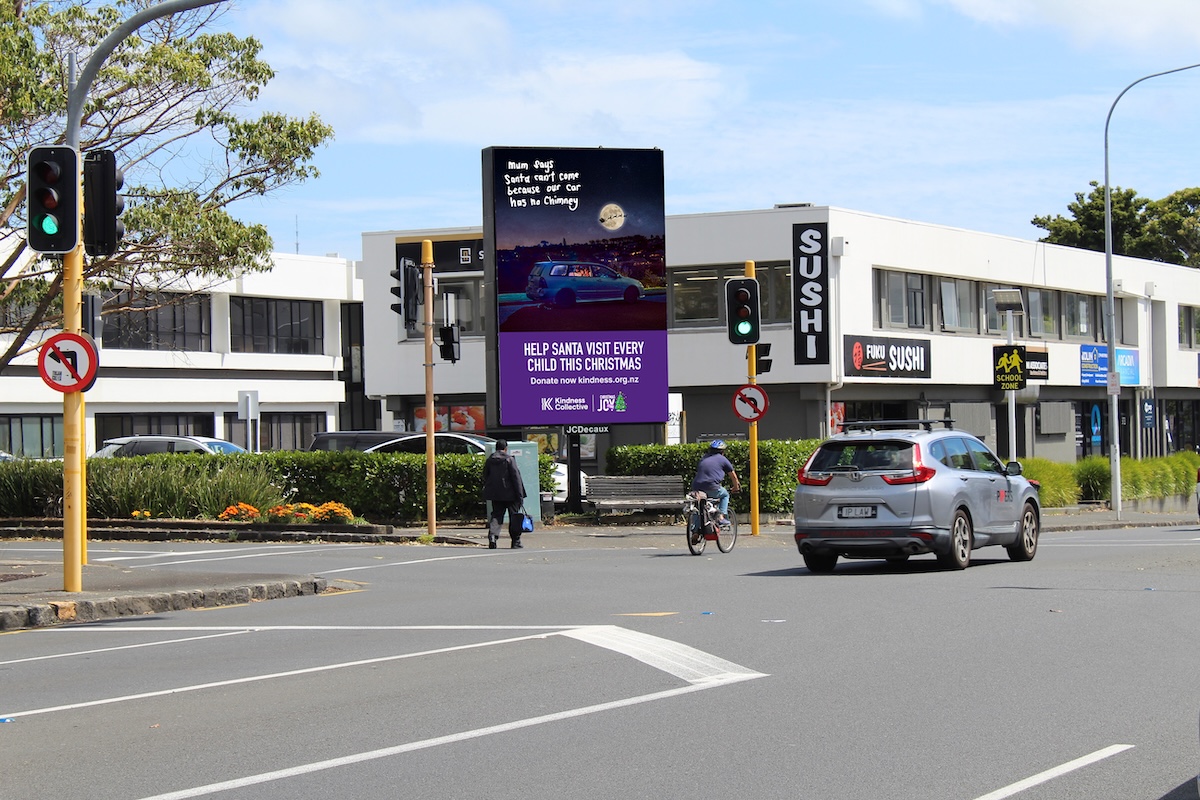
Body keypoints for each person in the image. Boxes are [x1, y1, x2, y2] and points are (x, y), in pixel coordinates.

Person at [482, 439, 527, 548]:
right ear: (506, 448)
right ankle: (515, 541)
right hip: (511, 494)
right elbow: (516, 478)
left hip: (496, 494)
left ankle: (493, 536)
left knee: (496, 515)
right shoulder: (509, 459)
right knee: (514, 517)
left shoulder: (490, 460)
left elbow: (485, 476)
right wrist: (520, 495)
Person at [691, 440, 741, 527]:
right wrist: (736, 487)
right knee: (725, 495)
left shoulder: (704, 458)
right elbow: (733, 476)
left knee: (698, 507)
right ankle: (721, 517)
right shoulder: (723, 459)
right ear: (722, 451)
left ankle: (695, 531)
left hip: (696, 487)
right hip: (712, 487)